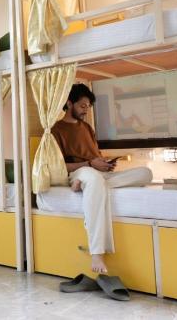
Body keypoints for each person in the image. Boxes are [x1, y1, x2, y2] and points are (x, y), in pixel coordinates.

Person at [51, 84, 153, 274]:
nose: (86, 110)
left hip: (96, 173)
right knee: (93, 179)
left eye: (88, 107)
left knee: (145, 173)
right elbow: (59, 167)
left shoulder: (87, 128)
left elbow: (94, 155)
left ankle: (84, 186)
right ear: (69, 103)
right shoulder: (56, 130)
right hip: (80, 170)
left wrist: (104, 163)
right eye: (82, 106)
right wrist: (90, 164)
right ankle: (97, 252)